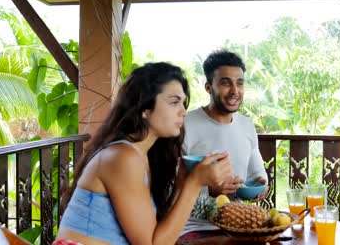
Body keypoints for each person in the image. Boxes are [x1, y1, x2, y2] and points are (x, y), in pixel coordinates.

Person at [54, 63, 232, 245]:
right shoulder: (122, 157)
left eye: (183, 103)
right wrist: (195, 184)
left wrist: (182, 184)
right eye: (174, 102)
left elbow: (157, 231)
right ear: (145, 108)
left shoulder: (140, 155)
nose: (183, 112)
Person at [180, 50, 268, 237]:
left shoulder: (247, 126)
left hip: (239, 224)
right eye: (225, 83)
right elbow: (168, 190)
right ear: (208, 87)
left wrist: (261, 185)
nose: (235, 91)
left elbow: (257, 174)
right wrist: (210, 190)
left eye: (240, 83)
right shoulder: (184, 125)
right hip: (194, 228)